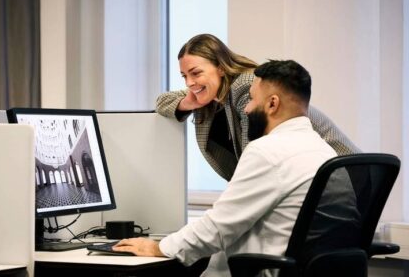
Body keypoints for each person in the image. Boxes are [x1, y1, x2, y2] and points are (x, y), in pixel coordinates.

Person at [113, 60, 359, 276]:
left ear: (272, 104)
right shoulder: (322, 151)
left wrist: (158, 247)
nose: (247, 108)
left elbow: (217, 229)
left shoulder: (268, 151)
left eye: (252, 99)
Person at [156, 33, 359, 181]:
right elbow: (162, 101)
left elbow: (254, 160)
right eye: (184, 76)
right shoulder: (210, 95)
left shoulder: (246, 85)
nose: (189, 83)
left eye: (196, 73)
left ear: (220, 67)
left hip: (343, 173)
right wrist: (190, 102)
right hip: (316, 178)